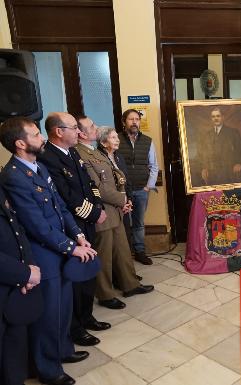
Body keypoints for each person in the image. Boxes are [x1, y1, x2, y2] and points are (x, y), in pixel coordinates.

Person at [0, 116, 98, 385]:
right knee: (49, 314)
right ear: (21, 143)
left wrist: (77, 235)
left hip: (61, 247)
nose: (42, 137)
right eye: (35, 134)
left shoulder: (38, 167)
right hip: (44, 253)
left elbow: (60, 207)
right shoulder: (13, 176)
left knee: (64, 308)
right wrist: (70, 247)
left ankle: (63, 350)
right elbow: (36, 225)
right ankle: (48, 369)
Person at [37, 112, 110, 348]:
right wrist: (93, 213)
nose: (79, 132)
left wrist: (97, 207)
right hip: (71, 227)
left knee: (87, 273)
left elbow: (89, 185)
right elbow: (66, 197)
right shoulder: (48, 157)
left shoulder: (73, 152)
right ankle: (76, 327)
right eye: (73, 128)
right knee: (75, 279)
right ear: (59, 131)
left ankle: (87, 316)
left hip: (86, 223)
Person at [75, 124, 154, 309]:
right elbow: (98, 188)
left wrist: (124, 201)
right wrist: (122, 199)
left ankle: (130, 285)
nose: (95, 127)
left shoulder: (94, 152)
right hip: (102, 211)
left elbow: (116, 177)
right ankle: (105, 294)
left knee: (123, 251)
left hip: (116, 209)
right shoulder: (80, 154)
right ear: (81, 133)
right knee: (105, 256)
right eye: (92, 126)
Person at [0, 184, 42, 385]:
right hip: (10, 278)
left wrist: (30, 266)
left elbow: (17, 229)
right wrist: (25, 273)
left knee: (15, 355)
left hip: (14, 286)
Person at [117, 109, 159, 265]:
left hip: (142, 189)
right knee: (123, 223)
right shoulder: (116, 139)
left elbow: (154, 166)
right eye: (131, 119)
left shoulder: (147, 141)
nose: (134, 122)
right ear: (124, 122)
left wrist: (149, 186)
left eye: (137, 119)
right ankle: (125, 253)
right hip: (121, 191)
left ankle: (140, 251)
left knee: (139, 223)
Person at [192, 107, 241, 186]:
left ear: (223, 117)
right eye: (213, 117)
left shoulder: (233, 133)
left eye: (218, 116)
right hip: (211, 175)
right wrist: (202, 169)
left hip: (229, 174)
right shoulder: (207, 136)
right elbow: (201, 155)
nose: (215, 118)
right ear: (211, 119)